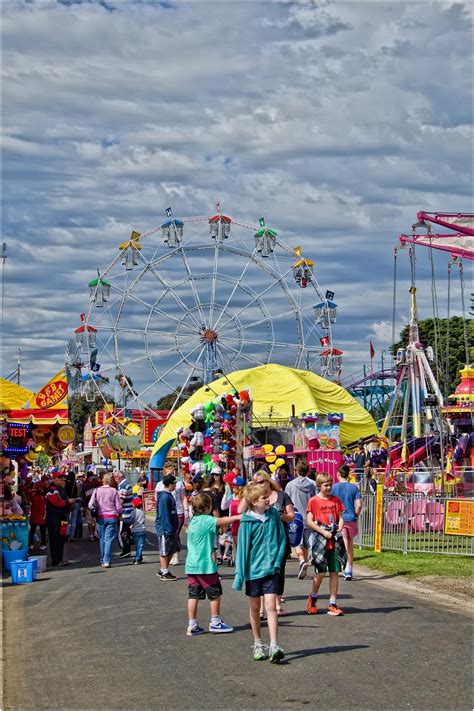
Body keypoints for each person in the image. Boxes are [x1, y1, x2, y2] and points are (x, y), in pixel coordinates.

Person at [233, 482, 287, 663]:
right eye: (264, 497)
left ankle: (274, 644)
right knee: (255, 608)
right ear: (254, 502)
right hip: (253, 571)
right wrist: (239, 576)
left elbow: (281, 537)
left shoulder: (273, 516)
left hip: (271, 569)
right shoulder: (246, 522)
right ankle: (258, 642)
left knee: (271, 606)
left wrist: (278, 560)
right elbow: (242, 550)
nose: (268, 499)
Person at [185, 492, 241, 636]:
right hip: (205, 566)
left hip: (191, 565)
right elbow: (221, 521)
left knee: (193, 595)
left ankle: (192, 624)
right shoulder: (206, 520)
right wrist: (238, 517)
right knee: (215, 593)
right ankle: (215, 622)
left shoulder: (194, 521)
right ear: (207, 507)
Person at [306, 472, 346, 616]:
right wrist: (323, 532)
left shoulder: (336, 500)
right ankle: (313, 597)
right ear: (319, 486)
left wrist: (339, 529)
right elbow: (309, 521)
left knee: (334, 571)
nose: (329, 488)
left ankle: (333, 603)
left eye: (330, 485)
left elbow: (341, 518)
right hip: (321, 538)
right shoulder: (314, 501)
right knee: (320, 572)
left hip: (334, 539)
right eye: (326, 485)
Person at [284, 459, 316, 579]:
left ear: (296, 471)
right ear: (308, 471)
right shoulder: (313, 484)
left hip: (295, 518)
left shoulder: (290, 485)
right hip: (309, 518)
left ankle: (302, 560)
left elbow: (286, 501)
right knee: (307, 544)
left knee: (297, 543)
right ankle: (307, 561)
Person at [331, 464, 363, 580]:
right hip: (351, 518)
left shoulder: (333, 488)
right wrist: (356, 514)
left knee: (341, 544)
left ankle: (343, 566)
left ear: (338, 474)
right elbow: (359, 505)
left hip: (340, 518)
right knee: (349, 545)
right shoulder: (354, 488)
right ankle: (349, 568)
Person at [89, 472, 122, 568]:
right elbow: (119, 507)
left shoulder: (96, 490)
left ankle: (103, 559)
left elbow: (90, 505)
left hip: (100, 517)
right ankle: (106, 560)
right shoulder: (114, 491)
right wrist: (119, 512)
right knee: (109, 539)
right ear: (111, 481)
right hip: (111, 517)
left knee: (102, 539)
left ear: (102, 480)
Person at [155, 467, 187, 565]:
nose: (172, 474)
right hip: (166, 512)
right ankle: (167, 561)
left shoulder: (179, 483)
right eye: (170, 473)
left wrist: (186, 509)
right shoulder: (160, 485)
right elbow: (156, 497)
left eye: (173, 472)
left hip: (178, 511)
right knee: (169, 534)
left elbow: (183, 497)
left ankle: (175, 554)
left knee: (175, 532)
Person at [45, 470, 74, 567]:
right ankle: (56, 560)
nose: (63, 480)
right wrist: (68, 502)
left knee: (61, 538)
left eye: (63, 478)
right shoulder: (51, 490)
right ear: (54, 479)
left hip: (62, 517)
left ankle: (60, 559)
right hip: (54, 518)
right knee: (55, 539)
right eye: (60, 478)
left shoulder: (60, 488)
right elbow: (56, 503)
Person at [155, 474, 179, 581]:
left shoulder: (169, 495)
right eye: (174, 483)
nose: (176, 485)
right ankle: (164, 571)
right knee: (165, 551)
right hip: (165, 529)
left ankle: (163, 569)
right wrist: (167, 529)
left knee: (173, 549)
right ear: (169, 484)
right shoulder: (164, 497)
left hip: (172, 528)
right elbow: (164, 515)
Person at [114, 470, 134, 558]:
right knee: (126, 531)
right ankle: (127, 549)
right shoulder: (126, 484)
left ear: (119, 477)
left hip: (125, 513)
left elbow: (121, 500)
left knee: (121, 533)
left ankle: (126, 549)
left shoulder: (122, 486)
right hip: (129, 511)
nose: (115, 479)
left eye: (115, 477)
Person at [28, 483, 47, 551]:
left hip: (37, 515)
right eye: (40, 488)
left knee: (33, 530)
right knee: (41, 531)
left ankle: (30, 544)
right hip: (40, 515)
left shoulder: (33, 495)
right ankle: (42, 544)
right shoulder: (43, 496)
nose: (41, 489)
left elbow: (29, 500)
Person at [65, 471, 81, 541]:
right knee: (73, 520)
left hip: (66, 502)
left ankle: (66, 533)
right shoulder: (77, 484)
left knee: (66, 520)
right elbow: (78, 494)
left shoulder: (64, 484)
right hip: (75, 501)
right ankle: (71, 536)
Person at [130, 495, 146, 564]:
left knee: (137, 545)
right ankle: (139, 557)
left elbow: (131, 520)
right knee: (140, 545)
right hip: (142, 530)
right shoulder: (142, 512)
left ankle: (137, 558)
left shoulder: (133, 512)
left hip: (135, 530)